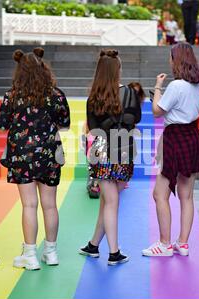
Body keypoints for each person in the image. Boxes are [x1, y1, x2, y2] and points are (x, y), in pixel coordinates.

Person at [0, 48, 70, 270]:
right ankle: (51, 252)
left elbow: (1, 124)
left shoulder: (12, 95)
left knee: (29, 204)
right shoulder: (55, 94)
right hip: (48, 153)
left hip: (21, 154)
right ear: (43, 69)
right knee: (50, 205)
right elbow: (64, 123)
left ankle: (30, 255)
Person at [142, 42, 199, 257]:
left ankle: (164, 244)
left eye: (171, 57)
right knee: (186, 195)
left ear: (176, 60)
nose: (169, 61)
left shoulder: (176, 86)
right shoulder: (197, 86)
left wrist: (158, 87)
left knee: (159, 194)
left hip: (176, 138)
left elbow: (157, 111)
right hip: (193, 138)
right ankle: (183, 243)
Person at [79, 49, 142, 266]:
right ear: (118, 71)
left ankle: (102, 248)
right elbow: (136, 119)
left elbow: (92, 129)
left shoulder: (93, 98)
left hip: (102, 150)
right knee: (111, 201)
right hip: (124, 148)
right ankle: (106, 249)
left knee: (109, 201)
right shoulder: (130, 94)